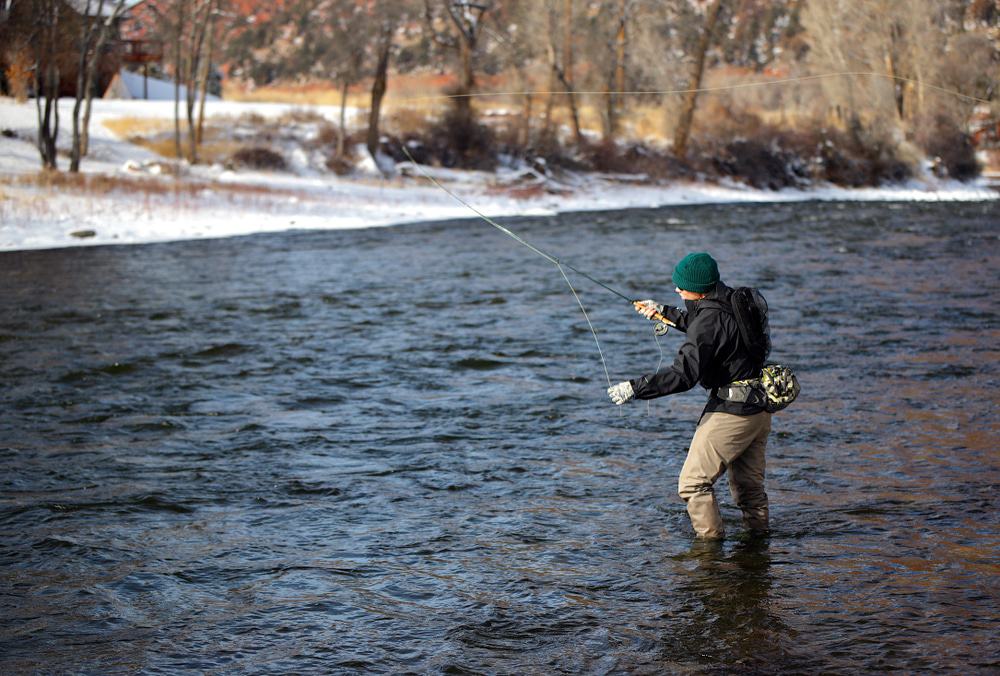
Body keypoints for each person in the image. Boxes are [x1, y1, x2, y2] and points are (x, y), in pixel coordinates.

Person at [606, 252, 771, 539]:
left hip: (733, 412)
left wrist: (635, 387)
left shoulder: (709, 321)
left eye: (681, 287)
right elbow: (710, 324)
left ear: (697, 288)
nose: (677, 290)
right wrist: (664, 312)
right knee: (749, 489)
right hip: (759, 408)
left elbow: (684, 374)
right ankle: (758, 549)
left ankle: (709, 554)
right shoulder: (732, 299)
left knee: (693, 484)